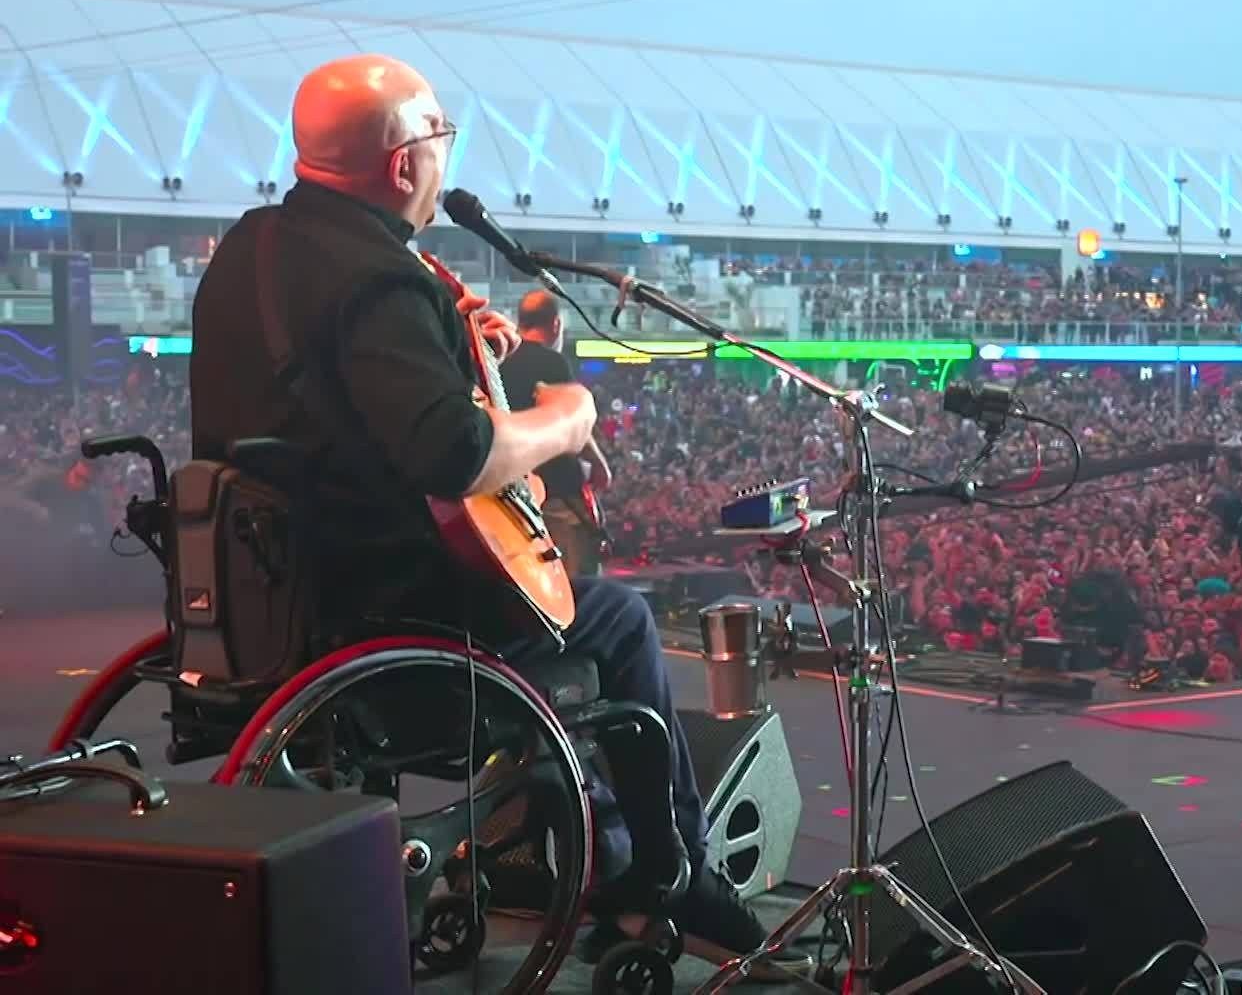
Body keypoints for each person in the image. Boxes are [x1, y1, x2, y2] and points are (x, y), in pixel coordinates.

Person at [187, 53, 806, 977]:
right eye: (440, 138)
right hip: (387, 611)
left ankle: (613, 852)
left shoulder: (251, 246)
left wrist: (452, 348)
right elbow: (455, 455)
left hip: (269, 596)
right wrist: (565, 417)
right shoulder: (379, 276)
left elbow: (334, 407)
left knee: (584, 613)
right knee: (614, 619)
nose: (446, 160)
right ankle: (672, 873)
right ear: (402, 164)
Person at [498, 289, 613, 578]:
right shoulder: (551, 362)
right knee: (577, 584)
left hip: (513, 495)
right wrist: (599, 464)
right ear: (556, 325)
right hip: (558, 495)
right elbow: (571, 423)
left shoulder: (499, 357)